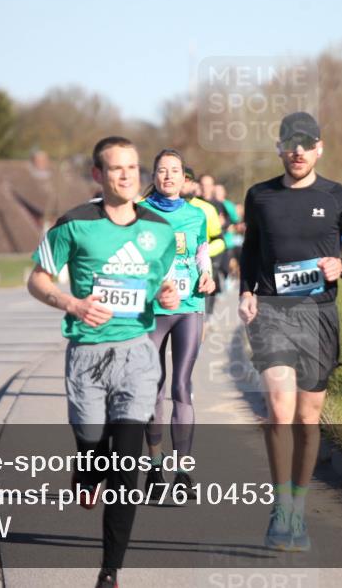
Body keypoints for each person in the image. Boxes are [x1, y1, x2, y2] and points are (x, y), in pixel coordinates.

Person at [27, 136, 180, 588]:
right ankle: (87, 462)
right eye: (117, 169)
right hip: (88, 357)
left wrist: (167, 293)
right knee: (94, 446)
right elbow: (37, 280)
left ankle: (110, 570)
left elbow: (163, 283)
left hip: (136, 352)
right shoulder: (74, 225)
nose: (128, 175)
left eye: (133, 167)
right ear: (98, 175)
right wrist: (71, 304)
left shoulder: (159, 230)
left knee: (126, 463)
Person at [239, 112, 342, 552]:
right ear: (279, 148)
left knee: (308, 418)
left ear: (320, 148)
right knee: (279, 410)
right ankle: (280, 508)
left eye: (306, 143)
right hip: (273, 312)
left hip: (319, 315)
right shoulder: (259, 196)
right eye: (289, 143)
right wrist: (246, 292)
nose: (297, 151)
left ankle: (298, 506)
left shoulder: (339, 197)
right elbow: (251, 248)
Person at [141, 150, 216, 497]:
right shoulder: (141, 213)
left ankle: (183, 472)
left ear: (185, 178)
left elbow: (201, 251)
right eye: (162, 171)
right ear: (154, 176)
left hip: (189, 306)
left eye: (175, 171)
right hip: (152, 311)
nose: (168, 176)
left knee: (181, 386)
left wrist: (208, 274)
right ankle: (155, 468)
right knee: (153, 388)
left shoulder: (196, 214)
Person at [183, 169, 226, 315]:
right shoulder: (149, 206)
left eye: (187, 179)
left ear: (193, 184)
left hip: (199, 274)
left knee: (200, 323)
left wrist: (202, 253)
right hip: (166, 279)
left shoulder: (206, 209)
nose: (182, 182)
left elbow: (220, 241)